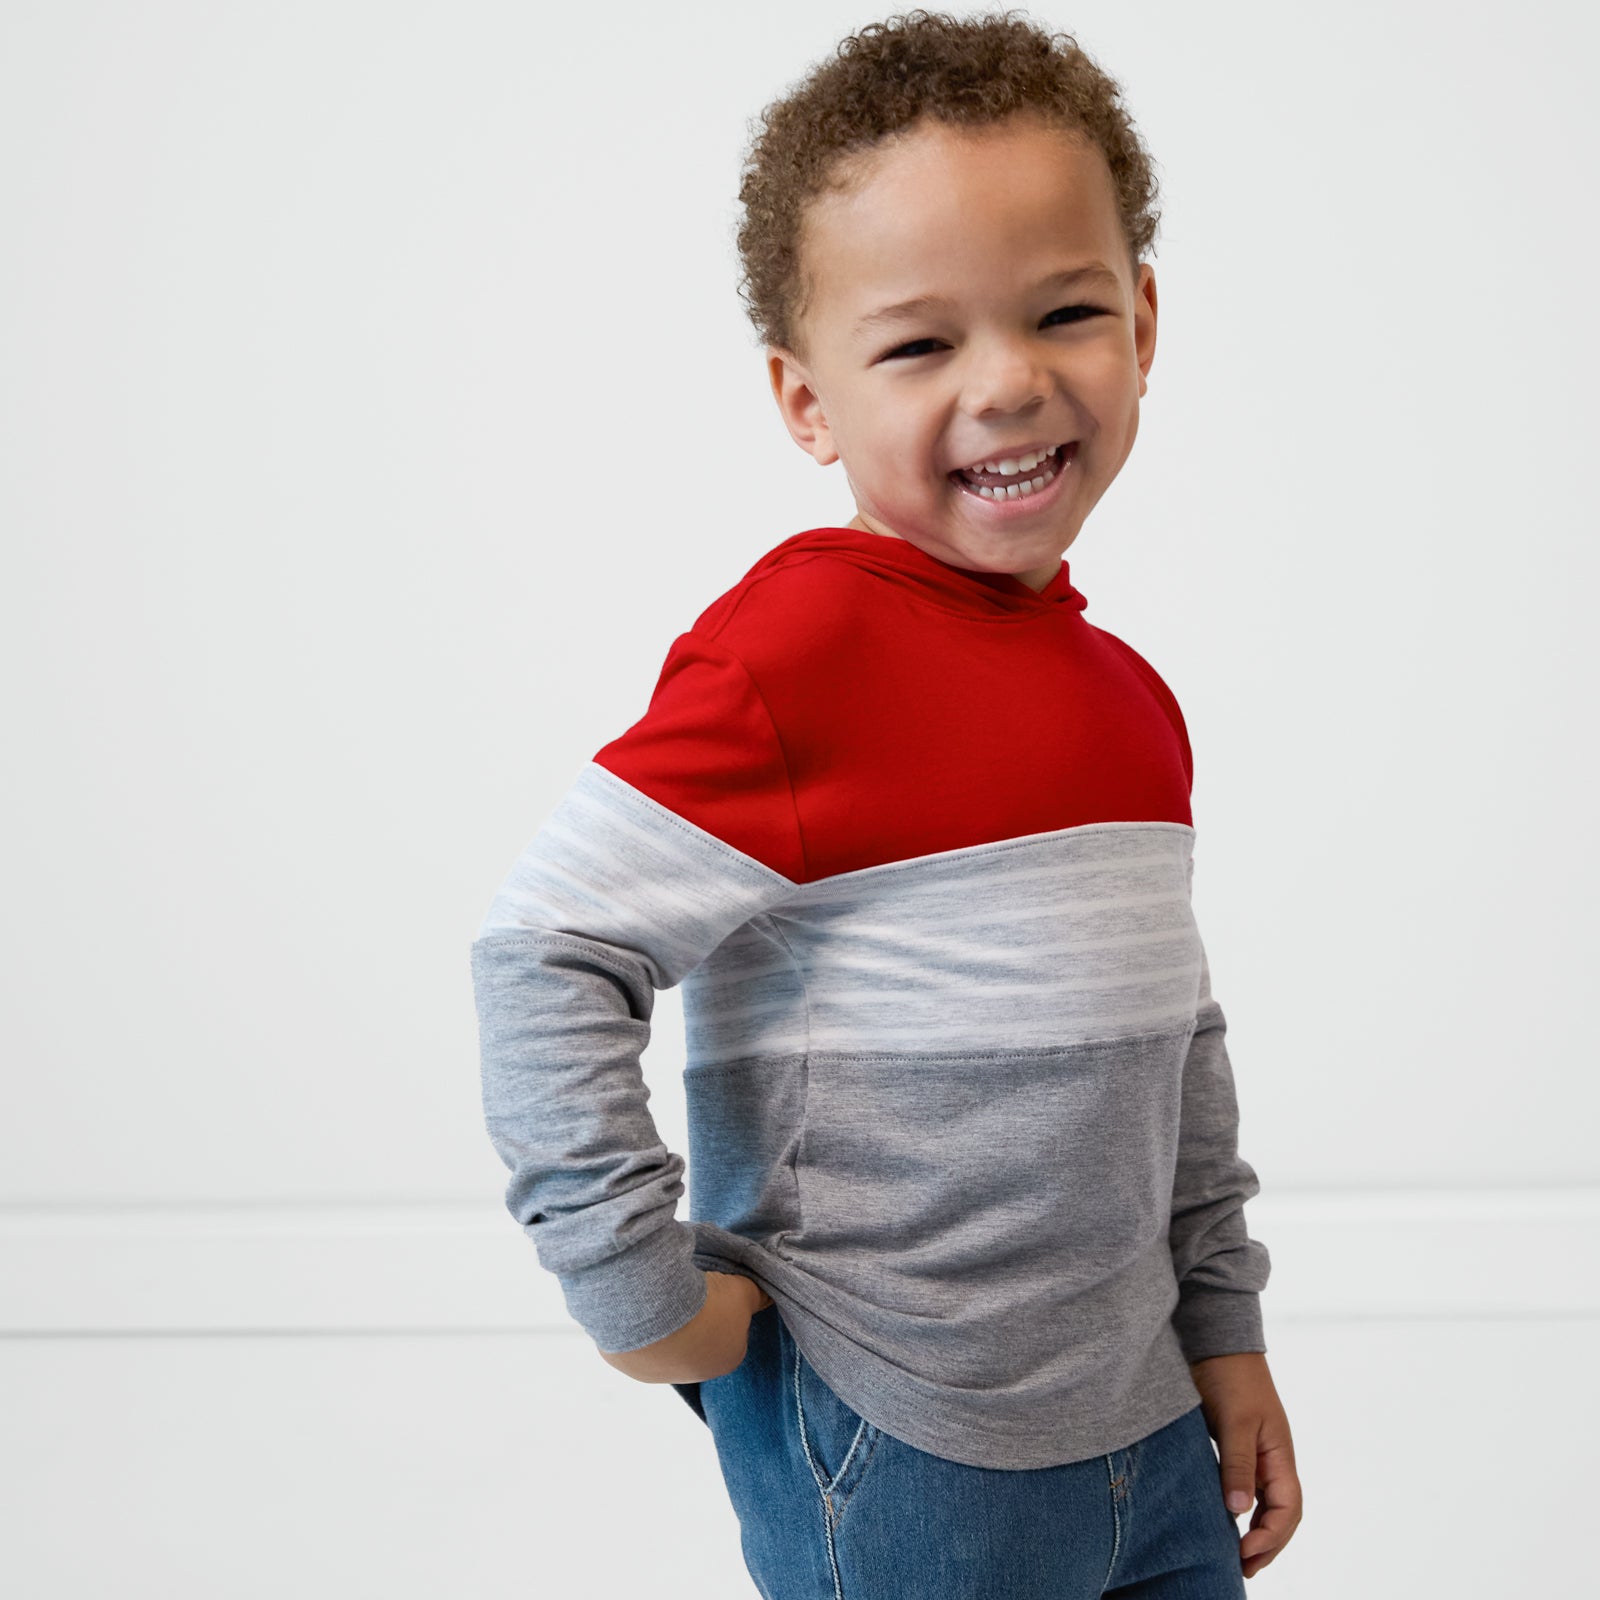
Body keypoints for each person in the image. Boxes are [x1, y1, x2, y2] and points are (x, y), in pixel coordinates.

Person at [469, 9, 1302, 1594]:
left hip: (1145, 1429)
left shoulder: (1127, 699)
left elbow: (1172, 1050)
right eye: (920, 345)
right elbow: (545, 954)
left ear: (1141, 319)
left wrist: (1226, 1334)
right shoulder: (799, 653)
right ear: (805, 400)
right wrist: (643, 1302)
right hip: (900, 1444)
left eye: (1064, 311)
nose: (1008, 383)